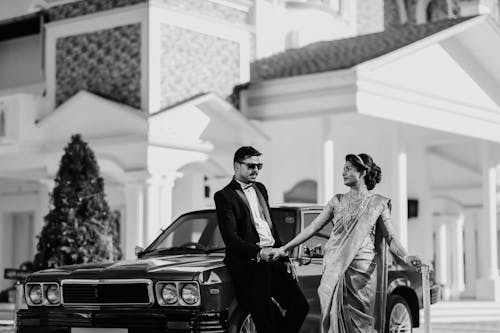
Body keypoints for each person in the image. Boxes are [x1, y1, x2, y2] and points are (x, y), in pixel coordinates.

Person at [273, 153, 421, 333]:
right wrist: (284, 248)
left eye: (348, 169)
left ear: (362, 173)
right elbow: (312, 228)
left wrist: (406, 256)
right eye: (343, 169)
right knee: (335, 322)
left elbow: (391, 237)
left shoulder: (377, 203)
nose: (343, 173)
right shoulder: (337, 201)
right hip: (335, 269)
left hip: (362, 274)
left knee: (361, 325)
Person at [214, 146, 309, 333]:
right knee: (266, 321)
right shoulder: (224, 196)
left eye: (259, 166)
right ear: (236, 166)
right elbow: (230, 238)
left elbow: (271, 226)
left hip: (273, 258)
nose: (256, 170)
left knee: (299, 306)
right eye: (250, 166)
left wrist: (284, 257)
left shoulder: (261, 189)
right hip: (249, 264)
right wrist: (259, 253)